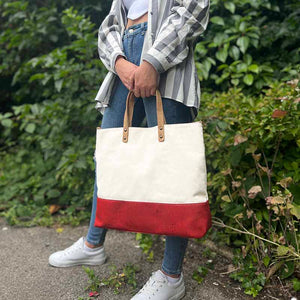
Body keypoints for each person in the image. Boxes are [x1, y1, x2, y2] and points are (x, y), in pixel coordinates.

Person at [49, 1, 210, 299]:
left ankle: (171, 275)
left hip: (163, 52)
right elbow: (109, 25)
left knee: (173, 164)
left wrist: (152, 62)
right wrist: (120, 62)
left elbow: (193, 9)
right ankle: (93, 245)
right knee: (109, 157)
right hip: (124, 54)